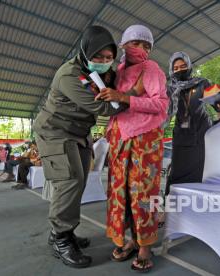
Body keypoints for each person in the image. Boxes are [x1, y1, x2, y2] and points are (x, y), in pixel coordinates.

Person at [32, 25, 127, 268]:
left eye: (109, 58)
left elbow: (117, 88)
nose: (105, 62)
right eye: (99, 57)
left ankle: (65, 232)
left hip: (80, 132)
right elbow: (103, 107)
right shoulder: (70, 75)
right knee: (70, 180)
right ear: (85, 52)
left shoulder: (105, 73)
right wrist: (132, 98)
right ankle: (60, 238)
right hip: (55, 131)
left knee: (81, 180)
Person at [96, 25, 168, 273]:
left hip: (144, 138)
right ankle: (128, 239)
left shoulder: (152, 69)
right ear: (124, 45)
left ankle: (145, 246)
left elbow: (161, 104)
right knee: (120, 193)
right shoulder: (118, 70)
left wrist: (126, 98)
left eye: (147, 45)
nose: (142, 49)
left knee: (144, 192)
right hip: (119, 139)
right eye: (136, 43)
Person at [164, 52, 220, 197]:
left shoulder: (202, 83)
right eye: (175, 68)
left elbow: (219, 104)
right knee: (176, 172)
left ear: (189, 66)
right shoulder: (169, 89)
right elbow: (163, 112)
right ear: (171, 70)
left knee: (201, 172)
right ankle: (171, 209)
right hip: (181, 136)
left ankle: (199, 209)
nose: (179, 70)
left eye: (183, 66)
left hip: (202, 133)